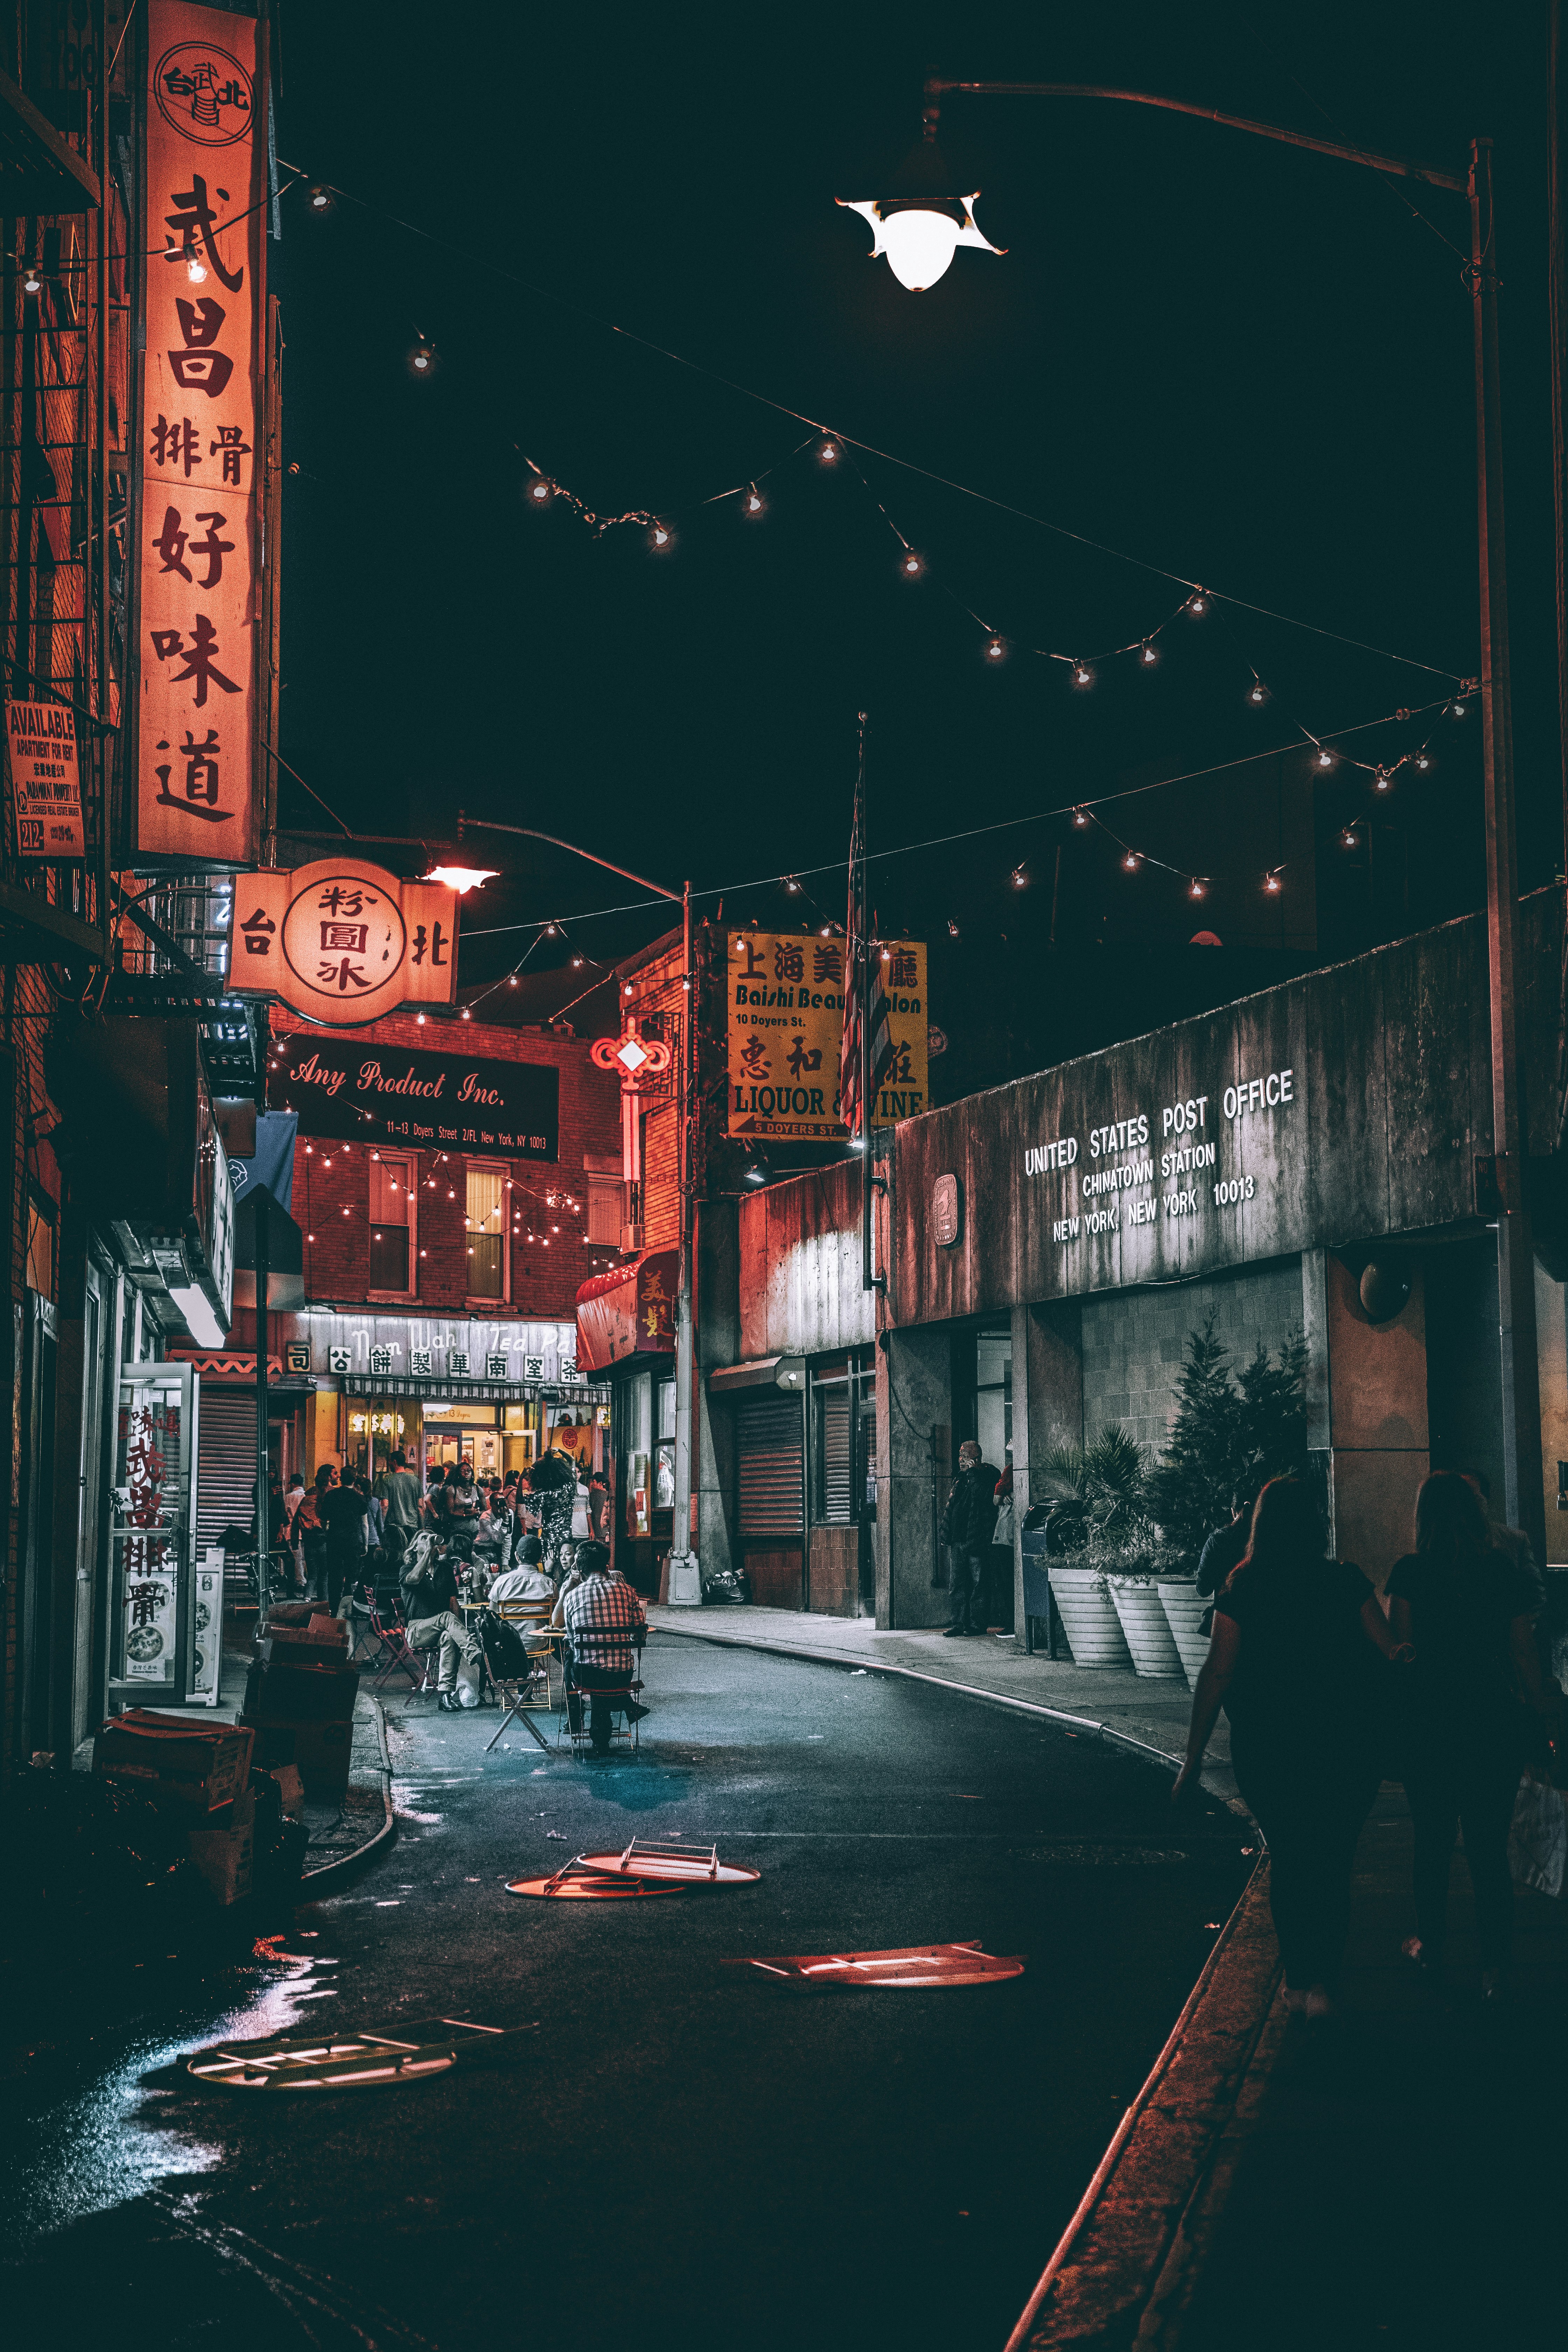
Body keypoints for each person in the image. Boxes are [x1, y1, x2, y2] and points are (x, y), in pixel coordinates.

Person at [1172, 1476, 1408, 2022]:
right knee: (1333, 1862)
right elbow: (1389, 1649)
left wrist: (1191, 1760)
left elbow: (1219, 1672)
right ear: (1317, 1525)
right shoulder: (1346, 1582)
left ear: (1263, 1524)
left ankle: (1300, 1980)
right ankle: (1324, 1982)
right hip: (1346, 1745)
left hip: (1270, 1746)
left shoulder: (1243, 1587)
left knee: (1292, 1859)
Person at [1386, 1471, 1558, 2000]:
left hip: (1431, 1727)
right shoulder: (1500, 1571)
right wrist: (1545, 1717)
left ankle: (1431, 1945)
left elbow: (1402, 1654)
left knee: (1432, 1842)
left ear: (1424, 1518)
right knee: (1488, 1848)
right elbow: (1524, 1654)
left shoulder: (1410, 1574)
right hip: (1492, 1724)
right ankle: (1496, 1968)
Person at [552, 1539, 649, 1755]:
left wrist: (566, 1589)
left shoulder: (573, 1596)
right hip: (623, 1675)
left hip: (588, 1676)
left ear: (579, 1567)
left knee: (571, 1659)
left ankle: (576, 1720)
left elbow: (562, 1628)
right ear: (606, 1565)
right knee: (602, 1667)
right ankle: (626, 1706)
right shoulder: (627, 1591)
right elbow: (640, 1629)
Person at [401, 1532, 483, 1712]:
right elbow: (415, 1579)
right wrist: (428, 1552)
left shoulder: (445, 1569)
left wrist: (459, 1631)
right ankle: (475, 1654)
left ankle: (445, 1696)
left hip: (441, 1630)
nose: (430, 1539)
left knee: (448, 1636)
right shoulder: (407, 1569)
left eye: (432, 1537)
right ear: (415, 1547)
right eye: (424, 1538)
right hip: (417, 1631)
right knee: (446, 1617)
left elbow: (453, 1601)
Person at [1461, 1467, 1546, 1620]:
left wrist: (1521, 1631)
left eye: (1472, 1496)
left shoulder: (1514, 1540)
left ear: (1484, 1500)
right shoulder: (1445, 1544)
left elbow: (1536, 1595)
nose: (1465, 1503)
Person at [941, 1440, 1000, 1636]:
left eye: (965, 1457)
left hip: (976, 1539)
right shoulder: (960, 1478)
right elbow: (953, 1508)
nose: (961, 1460)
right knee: (956, 1583)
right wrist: (946, 1533)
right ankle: (958, 1623)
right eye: (960, 1456)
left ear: (976, 1459)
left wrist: (974, 1474)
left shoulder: (987, 1475)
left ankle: (977, 1624)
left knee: (978, 1583)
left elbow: (982, 1500)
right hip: (958, 1539)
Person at [320, 1464, 368, 1615]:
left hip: (334, 1540)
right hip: (353, 1541)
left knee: (334, 1575)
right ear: (354, 1480)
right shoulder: (359, 1498)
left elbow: (323, 1518)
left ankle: (334, 1608)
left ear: (341, 1478)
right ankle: (347, 1608)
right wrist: (365, 1544)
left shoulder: (331, 1496)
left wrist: (328, 1530)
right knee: (352, 1575)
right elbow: (364, 1523)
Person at [527, 1444, 579, 1580]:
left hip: (549, 1539)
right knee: (566, 1572)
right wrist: (558, 1451)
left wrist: (538, 1465)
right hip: (566, 1538)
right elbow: (572, 1461)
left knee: (550, 1571)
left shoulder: (544, 1495)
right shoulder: (570, 1488)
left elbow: (523, 1503)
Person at [1197, 1489, 1257, 1600]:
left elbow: (1203, 1589)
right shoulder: (1272, 1539)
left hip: (1228, 1614)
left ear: (1233, 1511)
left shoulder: (1218, 1540)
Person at [488, 1533, 555, 1607]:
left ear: (517, 1556)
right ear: (541, 1558)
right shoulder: (551, 1585)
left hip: (508, 1619)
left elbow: (492, 1614)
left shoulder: (501, 1581)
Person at [989, 1460, 1016, 1633]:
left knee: (1006, 1579)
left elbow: (996, 1498)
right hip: (1012, 1533)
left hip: (1005, 1534)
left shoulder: (1011, 1470)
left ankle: (1011, 1623)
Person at [297, 1466, 331, 1603]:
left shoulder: (307, 1499)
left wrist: (295, 1540)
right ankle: (324, 1603)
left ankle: (307, 1599)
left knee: (312, 1575)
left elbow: (297, 1520)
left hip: (309, 1540)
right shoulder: (327, 1499)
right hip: (324, 1540)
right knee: (324, 1575)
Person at [379, 1449, 422, 1539]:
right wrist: (422, 1528)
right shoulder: (416, 1481)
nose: (389, 1464)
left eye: (390, 1462)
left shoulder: (387, 1480)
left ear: (394, 1462)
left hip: (394, 1527)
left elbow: (385, 1505)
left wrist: (381, 1526)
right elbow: (421, 1506)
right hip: (413, 1527)